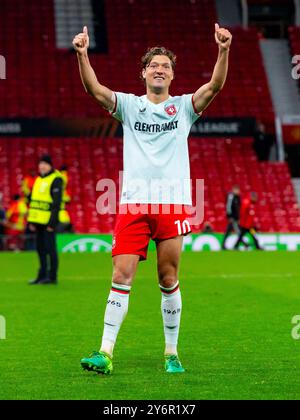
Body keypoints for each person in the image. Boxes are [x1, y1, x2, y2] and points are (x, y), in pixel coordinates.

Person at [73, 23, 232, 374]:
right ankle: (105, 351)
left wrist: (223, 49)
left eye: (166, 66)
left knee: (167, 277)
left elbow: (215, 86)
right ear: (144, 72)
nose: (160, 69)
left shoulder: (184, 108)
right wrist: (83, 54)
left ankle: (171, 353)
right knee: (121, 273)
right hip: (134, 205)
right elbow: (95, 90)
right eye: (154, 65)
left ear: (172, 76)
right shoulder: (129, 106)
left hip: (172, 204)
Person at [27, 155, 64, 285]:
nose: (42, 166)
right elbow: (34, 201)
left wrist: (52, 223)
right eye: (40, 163)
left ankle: (52, 276)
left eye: (45, 164)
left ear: (50, 165)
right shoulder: (38, 179)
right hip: (38, 222)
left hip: (49, 222)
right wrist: (31, 221)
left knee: (50, 249)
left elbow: (56, 203)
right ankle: (41, 275)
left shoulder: (56, 179)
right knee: (40, 249)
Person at [221, 185, 248, 250]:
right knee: (238, 231)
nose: (238, 191)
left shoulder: (238, 197)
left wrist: (239, 217)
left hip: (236, 218)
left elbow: (239, 209)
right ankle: (244, 244)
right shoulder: (231, 196)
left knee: (229, 231)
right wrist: (229, 216)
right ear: (233, 190)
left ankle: (223, 245)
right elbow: (228, 206)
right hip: (232, 218)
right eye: (237, 190)